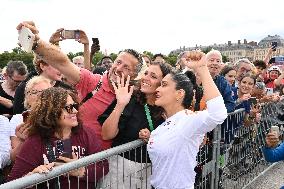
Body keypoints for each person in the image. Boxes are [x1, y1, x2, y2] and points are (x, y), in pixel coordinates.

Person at [17, 21, 143, 150]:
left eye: (126, 67)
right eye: (118, 62)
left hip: (101, 163)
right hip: (70, 155)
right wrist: (36, 43)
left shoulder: (136, 96)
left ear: (134, 75)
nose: (118, 68)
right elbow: (62, 62)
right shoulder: (93, 81)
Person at [144, 50, 227, 189]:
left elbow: (218, 114)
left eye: (164, 85)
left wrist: (202, 69)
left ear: (179, 94)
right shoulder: (163, 126)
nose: (157, 89)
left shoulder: (187, 121)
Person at [8, 87, 107, 188]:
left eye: (75, 106)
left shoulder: (85, 133)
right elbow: (13, 182)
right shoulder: (35, 141)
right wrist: (31, 178)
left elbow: (103, 166)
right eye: (68, 108)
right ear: (51, 112)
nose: (75, 111)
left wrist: (81, 171)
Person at [98, 62, 172, 188]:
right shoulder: (128, 98)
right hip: (120, 171)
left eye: (153, 76)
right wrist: (120, 104)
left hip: (152, 173)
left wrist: (153, 138)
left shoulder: (168, 107)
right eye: (146, 73)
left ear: (163, 84)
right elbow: (106, 135)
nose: (145, 78)